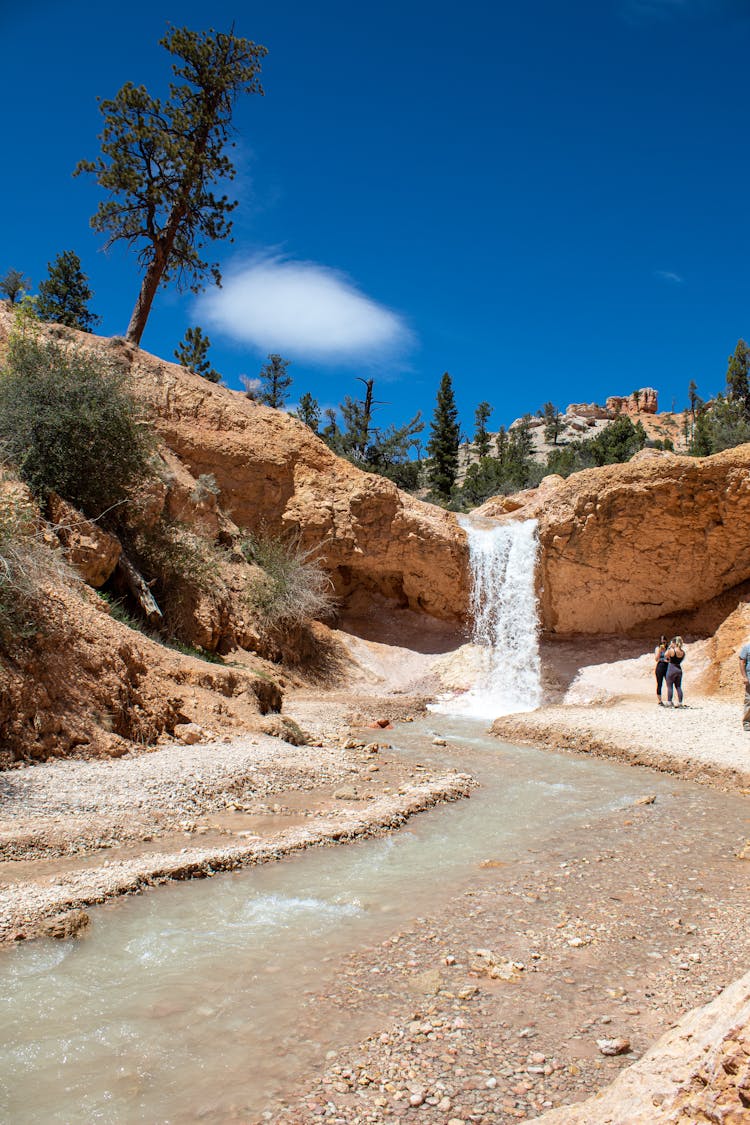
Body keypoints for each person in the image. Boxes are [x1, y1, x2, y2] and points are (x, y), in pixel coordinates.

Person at [664, 636, 685, 707]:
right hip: (679, 668)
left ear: (674, 643)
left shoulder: (672, 650)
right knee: (678, 686)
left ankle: (669, 701)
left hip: (671, 668)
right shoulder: (682, 652)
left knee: (669, 686)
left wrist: (669, 647)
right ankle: (680, 702)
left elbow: (665, 655)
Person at [738, 641, 750, 731]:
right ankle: (747, 723)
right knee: (749, 701)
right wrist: (744, 677)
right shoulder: (746, 647)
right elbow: (742, 662)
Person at [654, 635, 669, 705]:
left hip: (667, 666)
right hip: (660, 665)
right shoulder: (657, 648)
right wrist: (660, 650)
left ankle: (669, 700)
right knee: (659, 683)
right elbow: (656, 659)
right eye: (662, 642)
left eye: (664, 642)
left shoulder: (668, 648)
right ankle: (660, 700)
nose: (663, 643)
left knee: (669, 683)